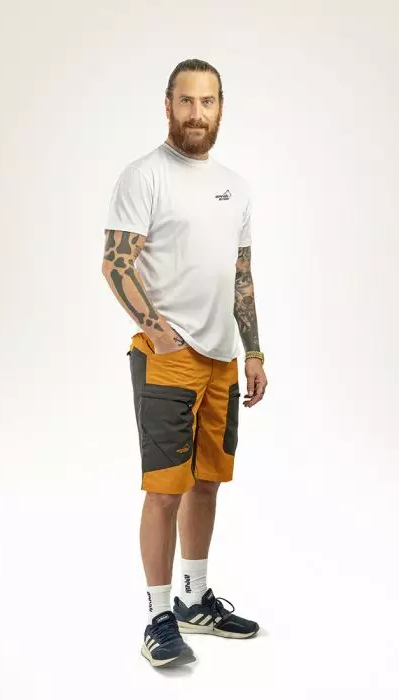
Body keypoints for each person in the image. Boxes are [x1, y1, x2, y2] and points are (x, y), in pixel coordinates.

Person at [101, 58, 268, 668]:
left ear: (221, 108)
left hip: (223, 359)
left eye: (208, 102)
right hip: (167, 361)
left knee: (206, 483)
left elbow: (240, 275)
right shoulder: (144, 176)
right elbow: (115, 263)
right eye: (187, 101)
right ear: (168, 105)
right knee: (164, 492)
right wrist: (157, 331)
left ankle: (195, 600)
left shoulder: (236, 186)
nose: (197, 113)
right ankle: (159, 616)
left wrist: (253, 350)